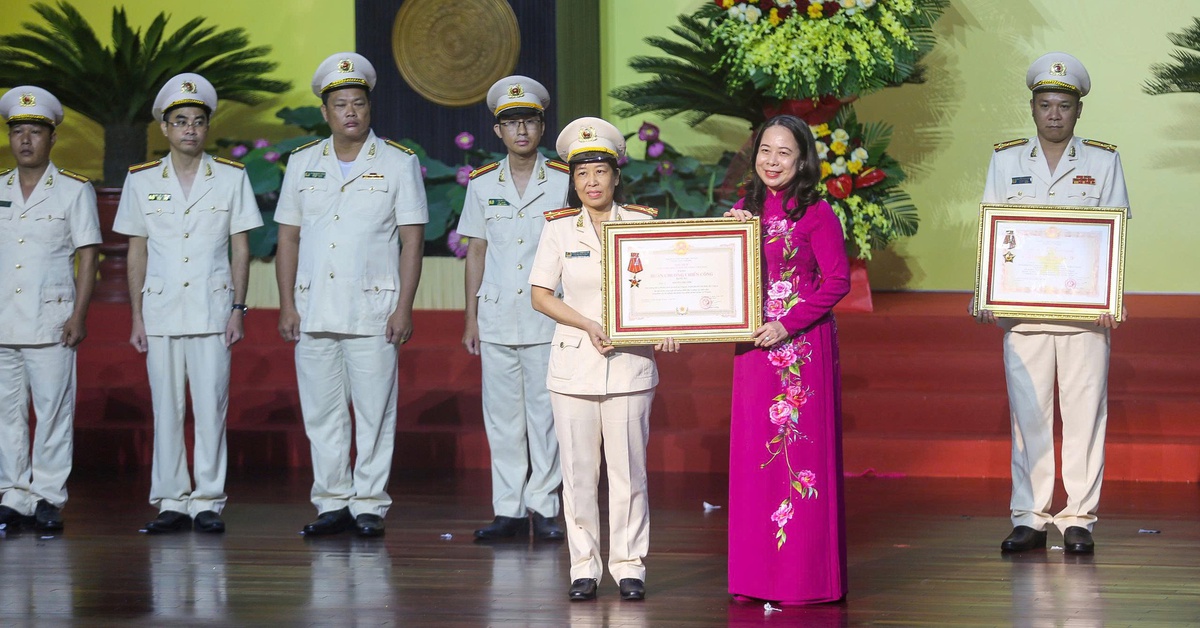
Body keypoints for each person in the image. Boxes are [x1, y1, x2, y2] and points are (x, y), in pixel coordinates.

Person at [975, 52, 1129, 555]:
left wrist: (1111, 295)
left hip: (1085, 317)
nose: (1054, 114)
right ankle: (1030, 517)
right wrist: (986, 290)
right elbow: (992, 231)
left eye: (1064, 105)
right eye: (1045, 105)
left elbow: (1115, 235)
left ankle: (1079, 517)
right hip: (1024, 316)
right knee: (1029, 419)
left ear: (1078, 110)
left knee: (1085, 416)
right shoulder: (1006, 161)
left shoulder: (1103, 161)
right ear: (1032, 108)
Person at [275, 52, 427, 538]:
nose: (350, 112)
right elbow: (288, 238)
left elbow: (412, 241)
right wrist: (286, 303)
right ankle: (332, 501)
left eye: (358, 103)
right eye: (340, 104)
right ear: (325, 112)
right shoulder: (303, 162)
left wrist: (404, 307)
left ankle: (369, 505)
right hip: (314, 306)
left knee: (374, 411)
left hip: (373, 309)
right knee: (322, 414)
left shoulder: (398, 162)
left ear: (369, 107)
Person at [529, 116, 679, 602]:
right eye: (581, 174)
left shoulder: (641, 223)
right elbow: (540, 295)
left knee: (628, 473)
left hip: (630, 365)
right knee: (577, 475)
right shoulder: (558, 229)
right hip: (574, 364)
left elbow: (661, 290)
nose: (591, 181)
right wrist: (586, 323)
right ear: (572, 181)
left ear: (616, 175)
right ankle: (584, 568)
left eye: (600, 171)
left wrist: (668, 326)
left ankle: (630, 565)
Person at [115, 73, 262, 535]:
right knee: (167, 409)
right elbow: (136, 251)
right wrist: (136, 315)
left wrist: (238, 309)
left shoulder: (231, 177)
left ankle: (208, 500)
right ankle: (172, 500)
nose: (190, 129)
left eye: (198, 121)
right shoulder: (141, 180)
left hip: (212, 309)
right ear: (164, 128)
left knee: (211, 407)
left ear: (207, 127)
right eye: (180, 121)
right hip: (160, 311)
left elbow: (241, 249)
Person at [724, 114, 850, 604]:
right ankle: (754, 579)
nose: (772, 161)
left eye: (783, 153)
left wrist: (787, 323)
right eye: (765, 151)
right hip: (753, 352)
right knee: (756, 462)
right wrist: (724, 238)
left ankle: (803, 580)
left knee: (800, 462)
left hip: (800, 351)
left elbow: (837, 281)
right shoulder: (743, 210)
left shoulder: (817, 212)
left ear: (802, 161)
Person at [457, 76, 569, 542]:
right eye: (511, 123)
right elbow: (477, 251)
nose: (521, 131)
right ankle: (508, 509)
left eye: (529, 121)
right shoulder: (483, 183)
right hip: (497, 315)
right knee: (502, 419)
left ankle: (544, 507)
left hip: (549, 315)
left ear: (542, 127)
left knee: (546, 416)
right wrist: (470, 317)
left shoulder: (564, 180)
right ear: (497, 130)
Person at [0, 86, 101, 533]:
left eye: (35, 132)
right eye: (17, 131)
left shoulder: (74, 190)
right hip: (3, 318)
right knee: (6, 414)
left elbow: (88, 256)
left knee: (54, 413)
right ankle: (13, 493)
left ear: (52, 138)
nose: (25, 140)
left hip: (51, 319)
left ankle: (47, 496)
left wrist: (79, 315)